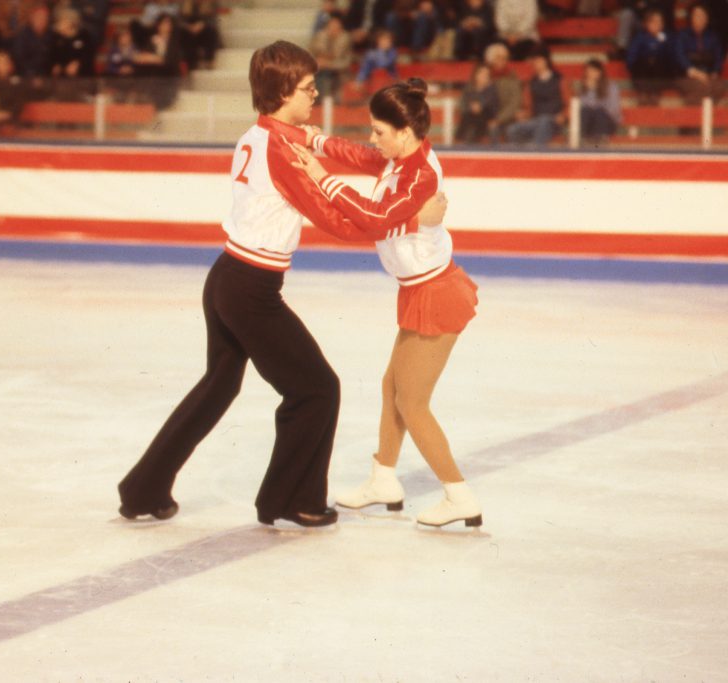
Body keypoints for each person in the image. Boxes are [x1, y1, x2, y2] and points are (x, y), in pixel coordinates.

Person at [116, 41, 448, 528]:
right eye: (308, 88)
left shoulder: (262, 136)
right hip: (250, 291)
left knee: (218, 387)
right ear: (283, 91)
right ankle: (292, 500)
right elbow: (339, 222)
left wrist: (351, 150)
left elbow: (367, 160)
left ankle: (142, 488)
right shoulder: (282, 150)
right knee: (317, 390)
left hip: (227, 278)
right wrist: (416, 220)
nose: (316, 95)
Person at [290, 78, 482, 529]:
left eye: (379, 131)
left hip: (437, 293)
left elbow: (374, 218)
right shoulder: (402, 156)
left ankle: (459, 496)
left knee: (412, 402)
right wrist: (315, 141)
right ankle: (384, 480)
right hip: (418, 290)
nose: (372, 139)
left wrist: (321, 177)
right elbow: (362, 157)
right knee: (391, 387)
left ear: (405, 132)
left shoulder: (422, 175)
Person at [505, 49, 565, 146]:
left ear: (545, 61)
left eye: (538, 60)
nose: (536, 63)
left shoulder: (559, 80)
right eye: (535, 61)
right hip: (535, 120)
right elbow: (527, 105)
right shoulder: (531, 82)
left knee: (544, 120)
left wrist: (563, 115)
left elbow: (569, 103)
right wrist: (523, 114)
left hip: (554, 121)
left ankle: (536, 150)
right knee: (512, 129)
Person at [675, 3, 725, 103]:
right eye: (697, 15)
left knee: (719, 86)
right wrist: (695, 73)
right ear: (691, 17)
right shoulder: (682, 35)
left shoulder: (713, 36)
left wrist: (714, 72)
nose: (700, 18)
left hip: (709, 76)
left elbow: (718, 57)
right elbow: (679, 56)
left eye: (703, 16)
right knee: (699, 88)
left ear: (707, 19)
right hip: (688, 76)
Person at [626, 8, 678, 104]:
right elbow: (631, 58)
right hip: (643, 73)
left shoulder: (667, 37)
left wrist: (663, 42)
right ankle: (643, 93)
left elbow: (672, 58)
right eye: (654, 21)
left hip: (660, 74)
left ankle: (655, 92)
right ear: (647, 23)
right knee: (643, 62)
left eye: (660, 22)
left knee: (659, 62)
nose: (657, 24)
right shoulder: (639, 37)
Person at [483, 42, 522, 143]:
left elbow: (515, 102)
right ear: (490, 60)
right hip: (485, 117)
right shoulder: (483, 75)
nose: (501, 61)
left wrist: (498, 119)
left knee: (507, 130)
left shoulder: (512, 78)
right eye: (498, 58)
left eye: (504, 58)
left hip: (507, 118)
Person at [310, 11, 352, 101]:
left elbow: (346, 62)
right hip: (319, 69)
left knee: (327, 75)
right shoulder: (320, 36)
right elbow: (315, 54)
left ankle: (327, 101)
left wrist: (329, 64)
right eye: (331, 25)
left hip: (339, 71)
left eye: (336, 25)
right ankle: (318, 100)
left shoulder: (345, 39)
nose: (333, 28)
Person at [577, 58, 620, 144]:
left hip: (607, 121)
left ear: (600, 72)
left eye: (594, 71)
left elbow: (613, 109)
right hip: (589, 120)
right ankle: (582, 139)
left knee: (599, 111)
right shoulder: (582, 87)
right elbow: (582, 106)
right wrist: (590, 90)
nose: (591, 74)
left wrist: (596, 108)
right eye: (589, 71)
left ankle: (600, 140)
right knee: (585, 111)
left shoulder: (611, 86)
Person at [456, 62, 499, 144]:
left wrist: (481, 105)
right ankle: (462, 144)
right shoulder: (469, 88)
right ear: (476, 75)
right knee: (468, 119)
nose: (484, 76)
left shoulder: (492, 89)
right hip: (470, 116)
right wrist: (471, 107)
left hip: (487, 117)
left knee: (484, 121)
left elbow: (493, 106)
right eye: (482, 73)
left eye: (486, 74)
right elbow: (463, 104)